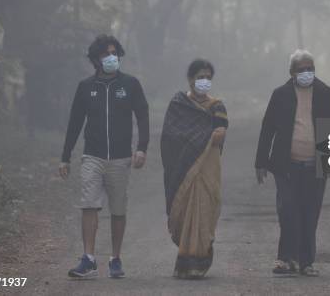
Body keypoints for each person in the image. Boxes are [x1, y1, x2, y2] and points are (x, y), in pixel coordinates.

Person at [59, 34, 149, 278]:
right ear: (96, 60)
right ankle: (88, 258)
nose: (111, 57)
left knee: (118, 209)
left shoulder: (130, 84)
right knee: (89, 203)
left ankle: (115, 259)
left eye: (114, 53)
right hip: (92, 156)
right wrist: (65, 156)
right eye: (105, 54)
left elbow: (142, 115)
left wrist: (142, 147)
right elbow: (75, 122)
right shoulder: (86, 87)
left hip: (120, 158)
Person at [255, 49, 330, 277]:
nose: (307, 73)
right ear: (292, 72)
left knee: (309, 213)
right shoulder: (281, 94)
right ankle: (285, 258)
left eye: (310, 69)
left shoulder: (324, 92)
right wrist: (261, 162)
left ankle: (306, 262)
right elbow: (267, 129)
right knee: (288, 210)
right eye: (302, 69)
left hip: (314, 164)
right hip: (286, 165)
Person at [160, 59, 227, 279]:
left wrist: (214, 135)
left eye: (208, 77)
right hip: (182, 169)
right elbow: (170, 137)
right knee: (185, 210)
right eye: (200, 77)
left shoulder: (217, 105)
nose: (204, 81)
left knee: (204, 210)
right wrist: (201, 138)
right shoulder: (178, 105)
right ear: (190, 79)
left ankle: (198, 261)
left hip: (207, 168)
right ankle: (185, 261)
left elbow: (220, 131)